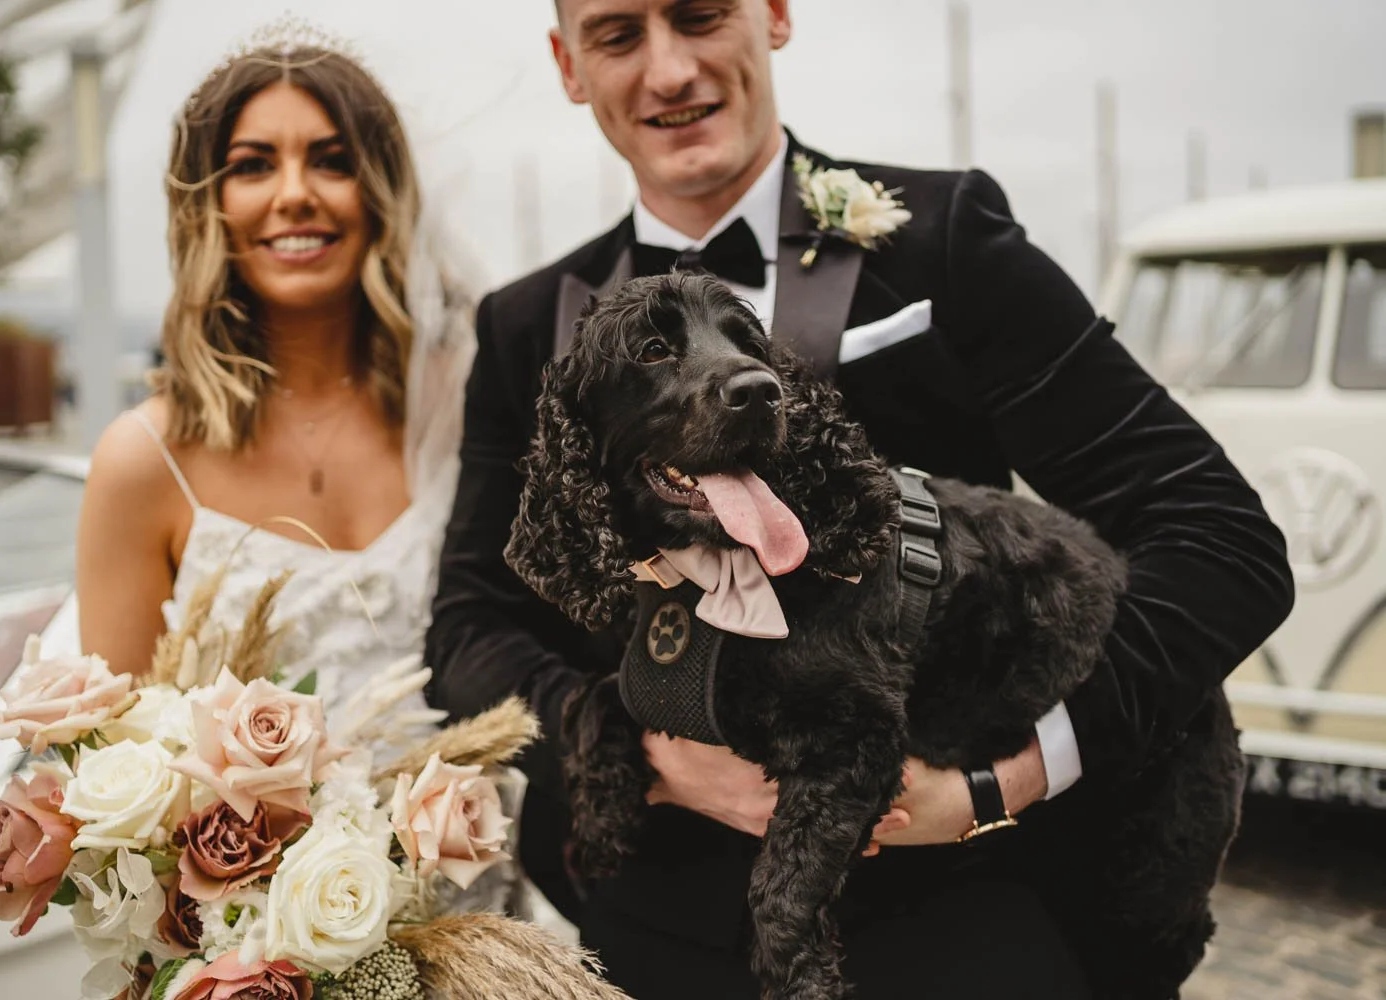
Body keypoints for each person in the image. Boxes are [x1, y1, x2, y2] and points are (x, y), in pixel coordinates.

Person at [424, 1, 1295, 997]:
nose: (668, 71)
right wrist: (642, 749)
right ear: (569, 65)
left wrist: (1000, 783)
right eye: (619, 34)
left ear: (776, 15)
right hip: (651, 910)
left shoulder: (947, 241)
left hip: (956, 896)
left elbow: (1220, 537)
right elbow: (468, 624)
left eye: (700, 15)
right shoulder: (528, 321)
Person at [74, 25, 477, 730]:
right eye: (254, 166)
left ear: (380, 190)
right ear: (208, 204)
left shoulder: (467, 405)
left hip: (487, 835)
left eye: (332, 161)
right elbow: (111, 755)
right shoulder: (143, 461)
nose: (295, 195)